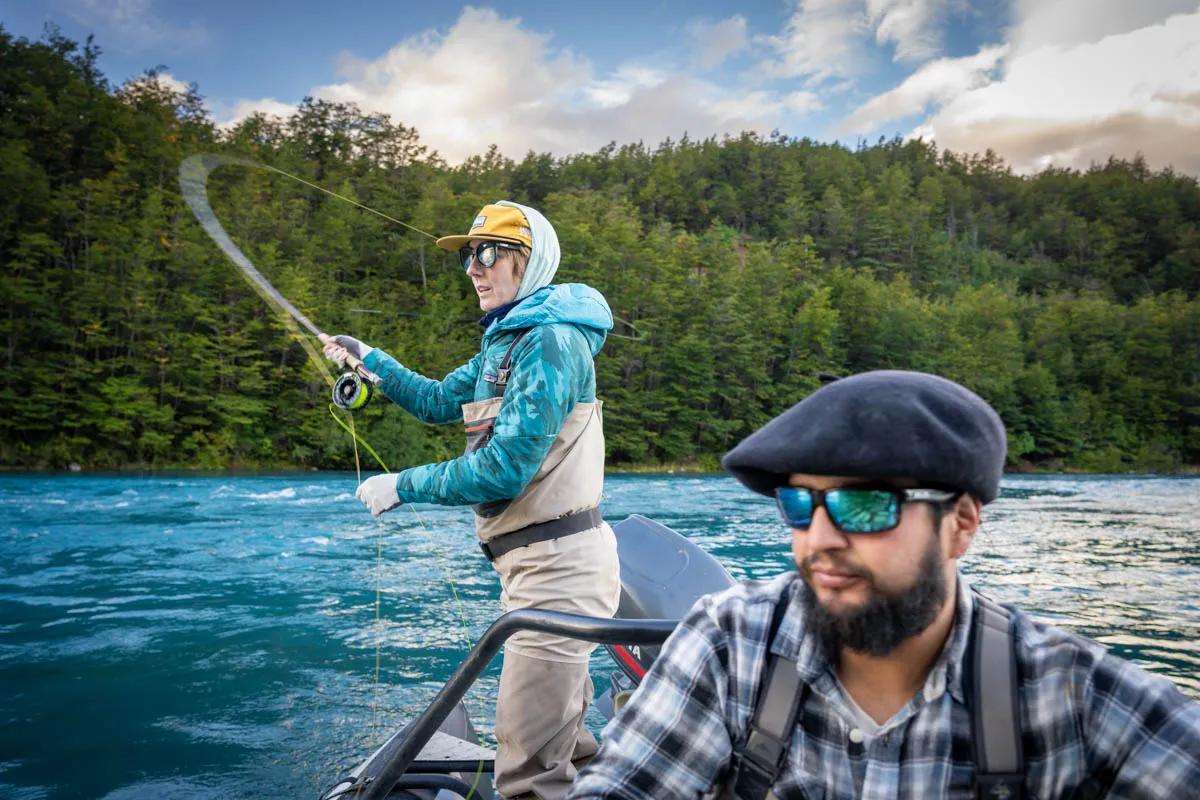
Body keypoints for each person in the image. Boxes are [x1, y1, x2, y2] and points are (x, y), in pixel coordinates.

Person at [568, 371, 1200, 799]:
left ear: (961, 525)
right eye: (800, 504)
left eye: (864, 507)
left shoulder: (1066, 697)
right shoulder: (731, 644)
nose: (818, 539)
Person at [323, 201, 620, 800]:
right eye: (469, 256)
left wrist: (404, 484)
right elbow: (435, 400)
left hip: (557, 572)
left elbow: (504, 469)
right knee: (561, 750)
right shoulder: (506, 343)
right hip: (537, 568)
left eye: (488, 254)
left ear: (529, 262)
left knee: (529, 780)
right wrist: (370, 360)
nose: (473, 269)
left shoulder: (550, 341)